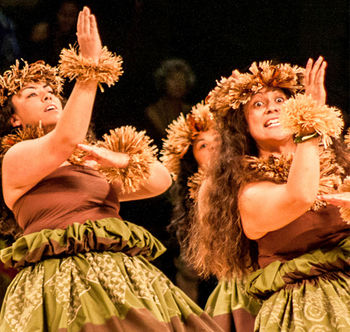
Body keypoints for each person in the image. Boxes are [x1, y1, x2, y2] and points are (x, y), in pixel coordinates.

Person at [0, 7, 221, 331]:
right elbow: (65, 138)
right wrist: (90, 70)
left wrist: (123, 162)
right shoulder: (16, 157)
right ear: (13, 119)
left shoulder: (88, 159)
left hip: (123, 279)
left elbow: (160, 181)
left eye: (52, 92)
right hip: (61, 283)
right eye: (33, 94)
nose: (48, 97)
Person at [187, 57, 350, 330]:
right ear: (244, 126)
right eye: (259, 105)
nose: (272, 109)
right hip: (305, 310)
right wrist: (309, 124)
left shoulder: (337, 166)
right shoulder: (248, 191)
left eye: (280, 100)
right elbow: (300, 196)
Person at [161, 103, 260, 331]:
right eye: (203, 145)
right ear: (191, 160)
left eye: (218, 141)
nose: (213, 149)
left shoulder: (256, 178)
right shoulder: (196, 204)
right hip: (234, 289)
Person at [145, 58, 195, 140]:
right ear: (163, 82)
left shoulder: (192, 110)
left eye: (182, 79)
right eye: (173, 79)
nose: (178, 84)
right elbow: (167, 137)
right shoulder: (153, 111)